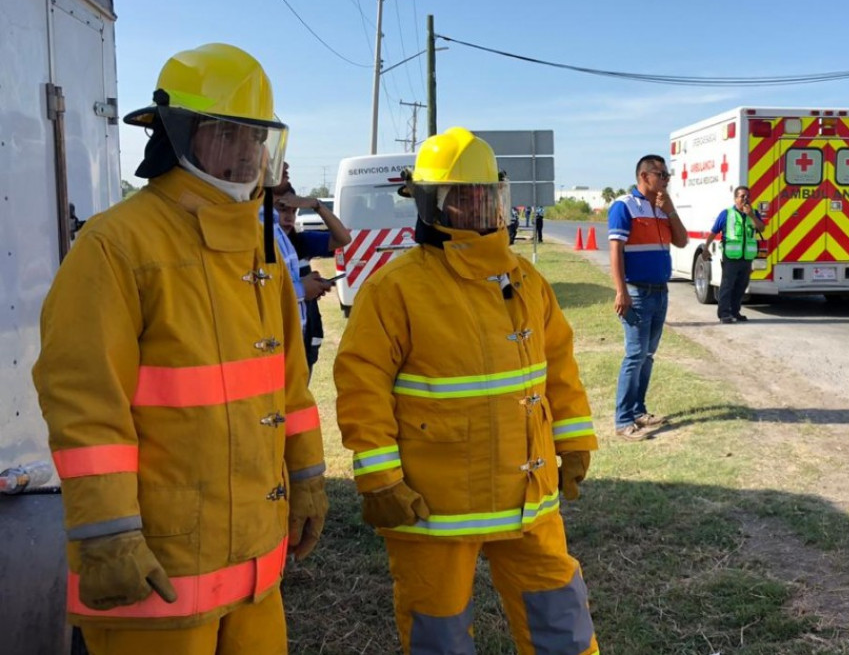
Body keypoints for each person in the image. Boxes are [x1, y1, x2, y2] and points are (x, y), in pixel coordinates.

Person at [31, 43, 327, 654]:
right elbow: (85, 403)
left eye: (256, 138)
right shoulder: (117, 244)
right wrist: (107, 534)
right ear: (179, 135)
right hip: (156, 577)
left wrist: (309, 478)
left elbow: (289, 387)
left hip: (255, 569)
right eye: (228, 134)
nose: (246, 154)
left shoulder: (261, 247)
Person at [334, 127, 600, 655]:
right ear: (430, 205)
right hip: (434, 511)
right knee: (440, 637)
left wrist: (573, 443)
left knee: (562, 623)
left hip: (530, 501)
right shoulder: (396, 288)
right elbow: (361, 385)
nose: (476, 210)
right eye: (461, 199)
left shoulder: (525, 280)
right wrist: (380, 479)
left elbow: (559, 370)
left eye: (485, 198)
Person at [607, 155, 688, 440]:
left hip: (660, 292)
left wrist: (672, 210)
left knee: (648, 355)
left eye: (667, 175)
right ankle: (623, 420)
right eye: (662, 175)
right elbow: (616, 251)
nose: (666, 180)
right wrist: (621, 291)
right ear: (644, 176)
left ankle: (639, 411)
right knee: (634, 355)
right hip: (637, 293)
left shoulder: (662, 207)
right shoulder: (623, 206)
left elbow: (682, 241)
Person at [273, 162, 352, 373]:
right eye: (282, 209)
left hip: (305, 338)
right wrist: (302, 290)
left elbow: (343, 238)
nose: (289, 216)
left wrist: (317, 205)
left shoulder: (301, 242)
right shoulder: (259, 243)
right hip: (276, 339)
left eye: (294, 210)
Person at [702, 185, 764, 323]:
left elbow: (762, 228)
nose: (745, 199)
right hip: (731, 256)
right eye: (742, 196)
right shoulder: (727, 214)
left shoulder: (753, 213)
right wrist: (706, 248)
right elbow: (714, 231)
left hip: (746, 257)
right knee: (727, 286)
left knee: (741, 286)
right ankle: (724, 314)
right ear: (736, 198)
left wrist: (751, 215)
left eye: (748, 196)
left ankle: (735, 312)